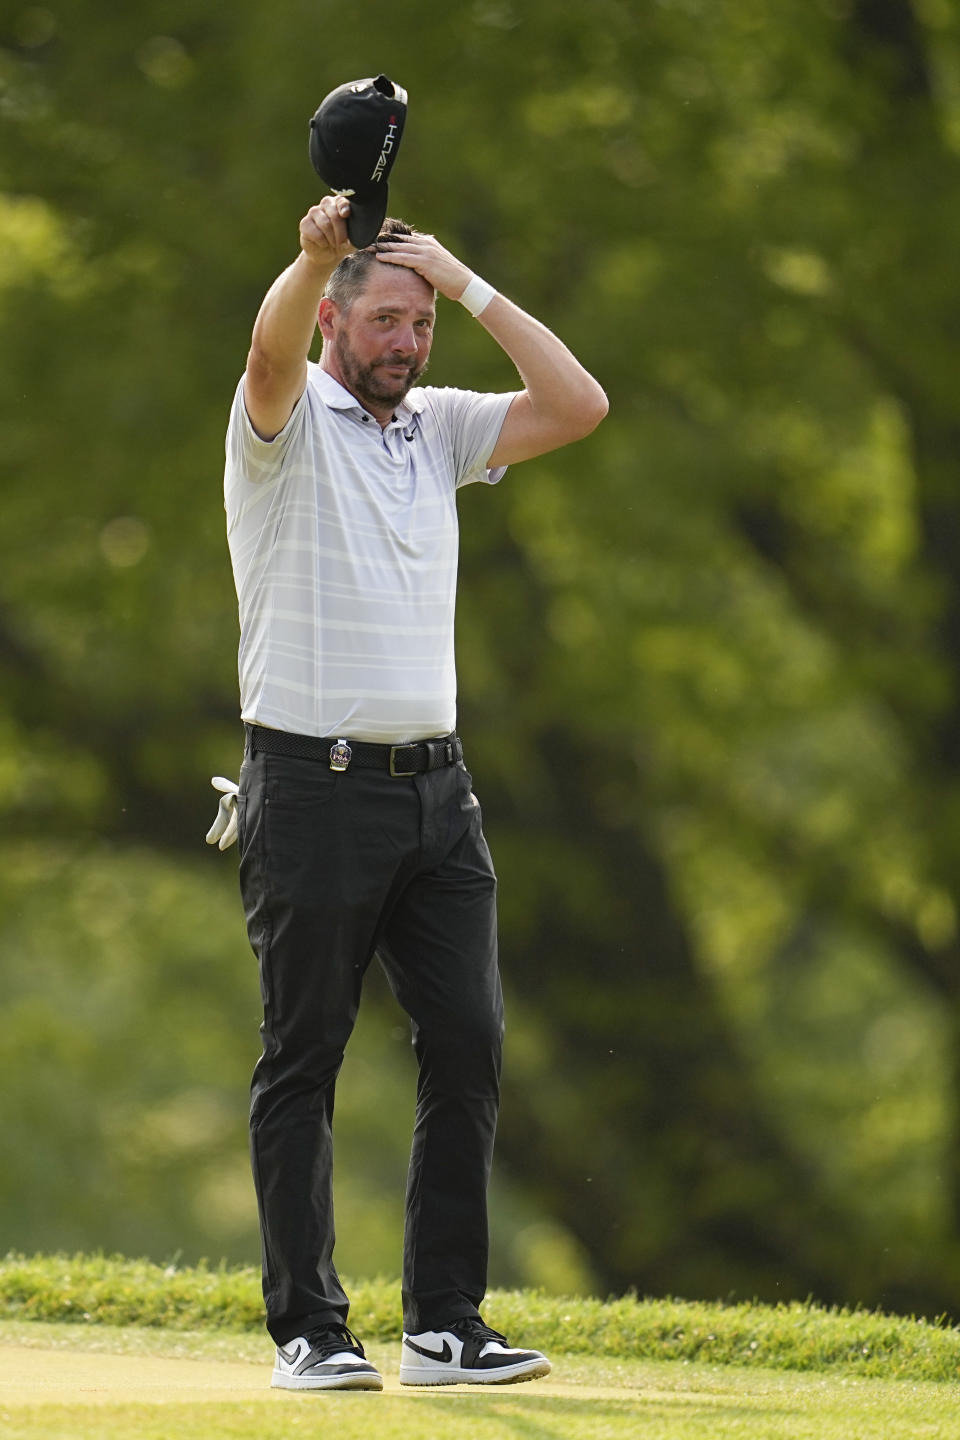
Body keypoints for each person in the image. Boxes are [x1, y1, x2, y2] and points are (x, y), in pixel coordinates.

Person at [218, 192, 607, 1392]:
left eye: (419, 325)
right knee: (307, 1056)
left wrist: (466, 281)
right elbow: (267, 350)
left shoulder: (437, 427)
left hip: (440, 795)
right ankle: (309, 1331)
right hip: (311, 788)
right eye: (385, 321)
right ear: (339, 324)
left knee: (472, 1044)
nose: (405, 343)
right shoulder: (280, 422)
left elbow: (580, 406)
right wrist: (308, 257)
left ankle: (442, 1324)